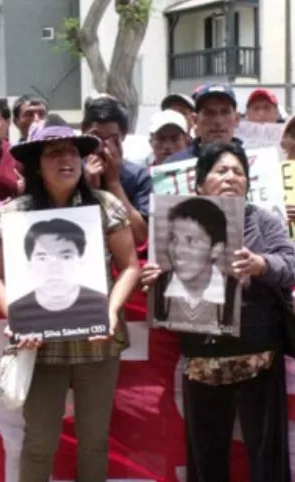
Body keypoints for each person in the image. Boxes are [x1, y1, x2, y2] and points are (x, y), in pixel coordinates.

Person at [0, 124, 140, 482]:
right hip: (39, 347)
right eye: (54, 153)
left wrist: (111, 310)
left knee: (94, 442)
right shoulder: (12, 213)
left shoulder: (106, 206)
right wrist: (19, 318)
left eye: (72, 152)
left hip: (97, 342)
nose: (66, 159)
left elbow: (130, 266)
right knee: (39, 441)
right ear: (37, 165)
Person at [142, 141, 295, 482]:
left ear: (248, 183)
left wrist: (262, 264)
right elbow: (169, 287)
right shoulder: (174, 225)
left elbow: (291, 263)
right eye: (221, 170)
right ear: (199, 183)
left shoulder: (264, 222)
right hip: (203, 360)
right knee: (206, 457)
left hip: (259, 356)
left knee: (265, 457)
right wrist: (155, 278)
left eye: (238, 172)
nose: (230, 177)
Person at [9, 218, 109, 339]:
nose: (54, 267)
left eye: (66, 257)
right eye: (42, 258)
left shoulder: (101, 306)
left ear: (81, 261)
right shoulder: (18, 310)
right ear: (29, 263)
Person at [154, 197, 236, 334]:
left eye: (191, 241)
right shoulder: (157, 286)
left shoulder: (234, 291)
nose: (177, 250)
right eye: (173, 239)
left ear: (216, 249)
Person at [81, 96, 152, 245]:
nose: (102, 146)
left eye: (111, 139)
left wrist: (114, 183)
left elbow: (141, 236)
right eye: (96, 137)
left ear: (123, 136)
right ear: (83, 130)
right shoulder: (71, 172)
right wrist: (89, 188)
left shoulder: (139, 176)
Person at [165, 84, 240, 162]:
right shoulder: (174, 164)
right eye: (210, 113)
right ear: (195, 120)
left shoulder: (251, 163)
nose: (218, 121)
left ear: (237, 119)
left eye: (225, 112)